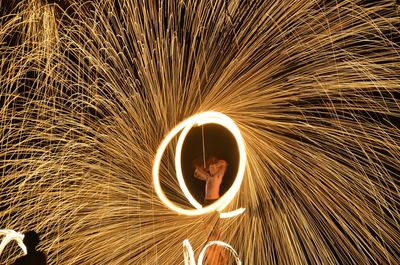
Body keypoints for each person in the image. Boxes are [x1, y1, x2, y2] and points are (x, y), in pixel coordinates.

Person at [193, 156, 229, 265]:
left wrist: (216, 165)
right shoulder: (208, 177)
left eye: (213, 168)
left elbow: (225, 163)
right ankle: (211, 256)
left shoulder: (218, 176)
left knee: (216, 233)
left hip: (214, 205)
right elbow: (195, 173)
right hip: (206, 205)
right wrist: (202, 168)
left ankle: (221, 255)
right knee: (208, 232)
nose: (212, 169)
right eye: (210, 168)